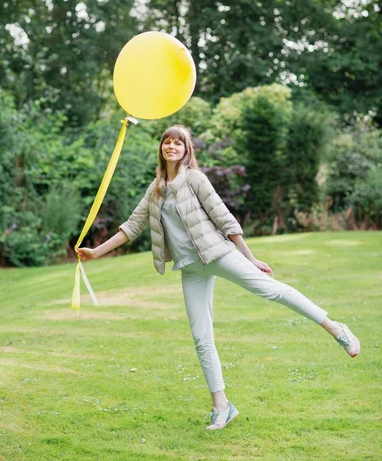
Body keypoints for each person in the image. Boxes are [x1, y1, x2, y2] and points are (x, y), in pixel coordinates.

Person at [76, 124, 360, 431]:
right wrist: (96, 252)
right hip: (190, 268)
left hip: (218, 254)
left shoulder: (195, 179)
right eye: (166, 143)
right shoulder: (156, 188)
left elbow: (223, 216)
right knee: (201, 337)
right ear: (161, 149)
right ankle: (222, 406)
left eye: (177, 143)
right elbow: (132, 226)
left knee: (272, 291)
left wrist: (249, 258)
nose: (171, 147)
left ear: (186, 150)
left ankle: (335, 328)